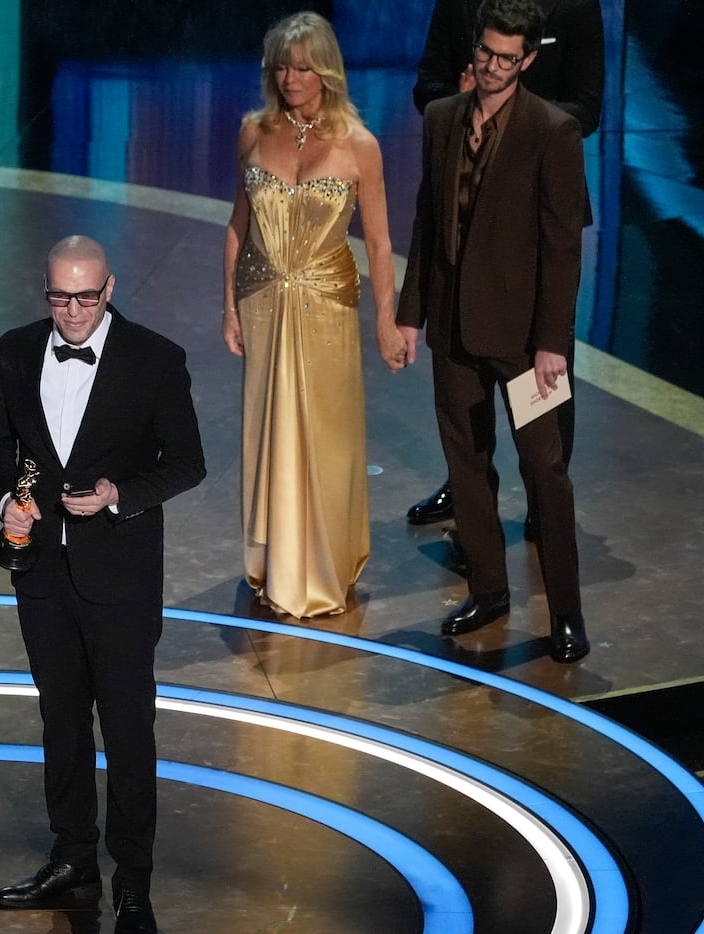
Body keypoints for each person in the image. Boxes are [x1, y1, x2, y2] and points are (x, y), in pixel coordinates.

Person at [0, 235, 205, 934]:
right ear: (45, 290)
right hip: (42, 573)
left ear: (109, 290)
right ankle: (73, 857)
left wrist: (116, 494)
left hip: (122, 579)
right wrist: (6, 503)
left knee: (129, 732)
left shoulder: (155, 359)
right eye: (60, 297)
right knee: (62, 722)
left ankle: (133, 882)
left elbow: (186, 462)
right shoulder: (15, 351)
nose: (73, 312)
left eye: (87, 297)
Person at [396, 0, 591, 663]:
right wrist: (408, 314)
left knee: (545, 468)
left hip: (525, 341)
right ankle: (488, 588)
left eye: (507, 58)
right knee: (466, 463)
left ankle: (565, 610)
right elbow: (428, 222)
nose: (492, 66)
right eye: (485, 53)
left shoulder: (551, 131)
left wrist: (552, 344)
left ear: (529, 59)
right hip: (453, 327)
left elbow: (563, 250)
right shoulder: (442, 118)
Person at [221, 11, 407, 618]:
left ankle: (323, 567)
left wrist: (386, 320)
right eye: (281, 65)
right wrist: (228, 307)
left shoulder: (359, 145)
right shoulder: (254, 131)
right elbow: (237, 228)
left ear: (326, 69)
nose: (290, 77)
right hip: (261, 302)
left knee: (325, 439)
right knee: (267, 433)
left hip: (327, 306)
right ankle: (273, 564)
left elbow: (379, 243)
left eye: (302, 66)